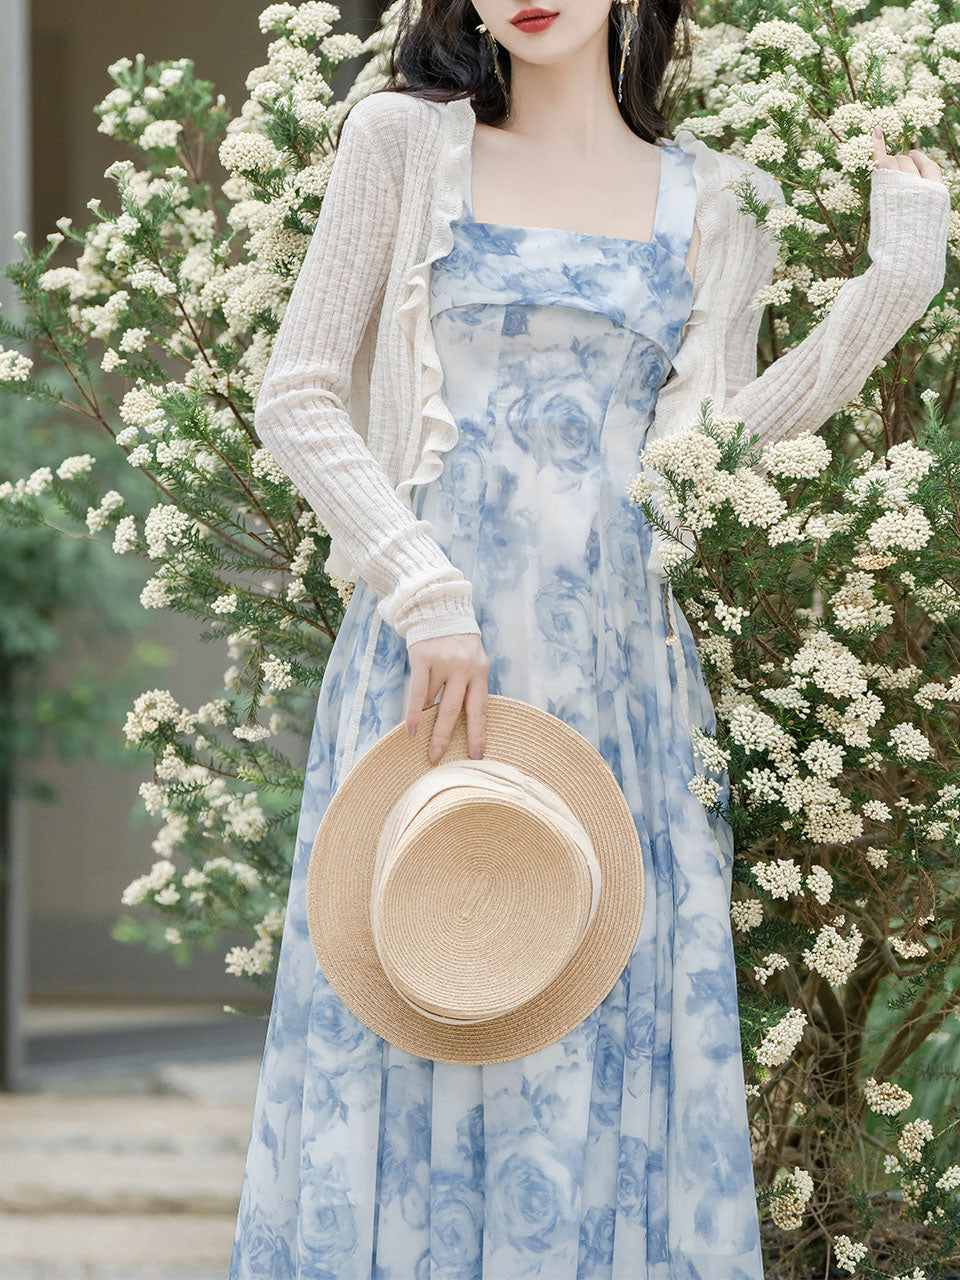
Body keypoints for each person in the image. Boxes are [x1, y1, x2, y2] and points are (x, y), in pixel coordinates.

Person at [229, 2, 950, 1276]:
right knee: (422, 985)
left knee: (595, 1028)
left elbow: (717, 452)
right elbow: (297, 392)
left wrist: (894, 286)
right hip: (428, 669)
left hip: (626, 685)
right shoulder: (401, 143)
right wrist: (423, 588)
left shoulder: (717, 199)